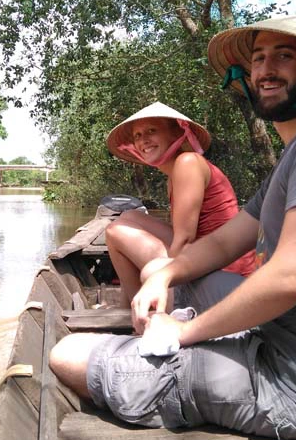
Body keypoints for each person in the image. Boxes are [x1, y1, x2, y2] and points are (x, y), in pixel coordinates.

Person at [50, 13, 296, 440]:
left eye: (284, 57)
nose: (266, 69)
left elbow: (292, 275)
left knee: (68, 353)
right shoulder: (295, 156)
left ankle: (161, 353)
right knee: (172, 278)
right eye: (259, 59)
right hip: (292, 355)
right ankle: (164, 337)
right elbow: (229, 238)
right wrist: (166, 273)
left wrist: (185, 331)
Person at [103, 102, 257, 308]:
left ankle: (141, 311)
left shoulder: (188, 163)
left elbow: (184, 242)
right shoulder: (174, 175)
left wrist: (160, 275)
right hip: (208, 260)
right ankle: (131, 306)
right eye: (138, 135)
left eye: (152, 131)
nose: (143, 140)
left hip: (226, 277)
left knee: (115, 232)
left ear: (176, 133)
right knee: (128, 218)